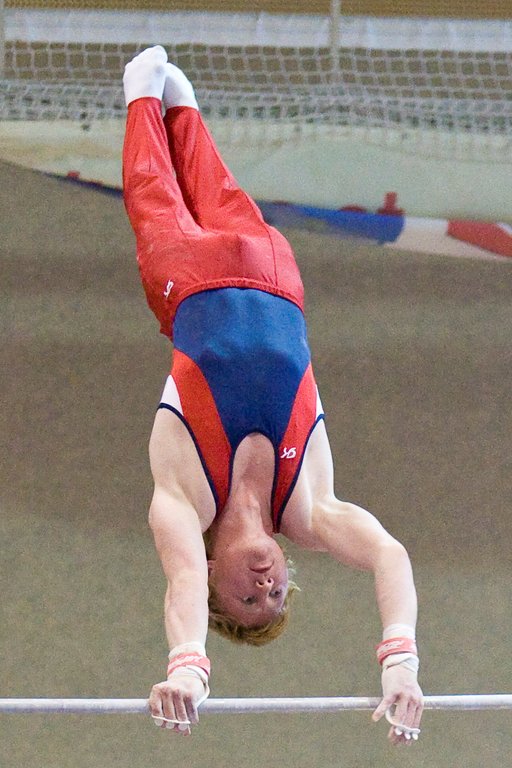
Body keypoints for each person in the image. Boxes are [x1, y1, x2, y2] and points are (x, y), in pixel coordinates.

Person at [122, 46, 423, 744]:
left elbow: (179, 584)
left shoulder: (184, 503)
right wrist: (400, 663)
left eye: (246, 596)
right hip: (276, 281)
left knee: (156, 196)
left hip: (190, 285)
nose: (264, 582)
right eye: (277, 592)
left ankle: (140, 97)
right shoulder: (310, 508)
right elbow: (389, 555)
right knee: (217, 186)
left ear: (213, 580)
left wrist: (189, 669)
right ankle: (184, 110)